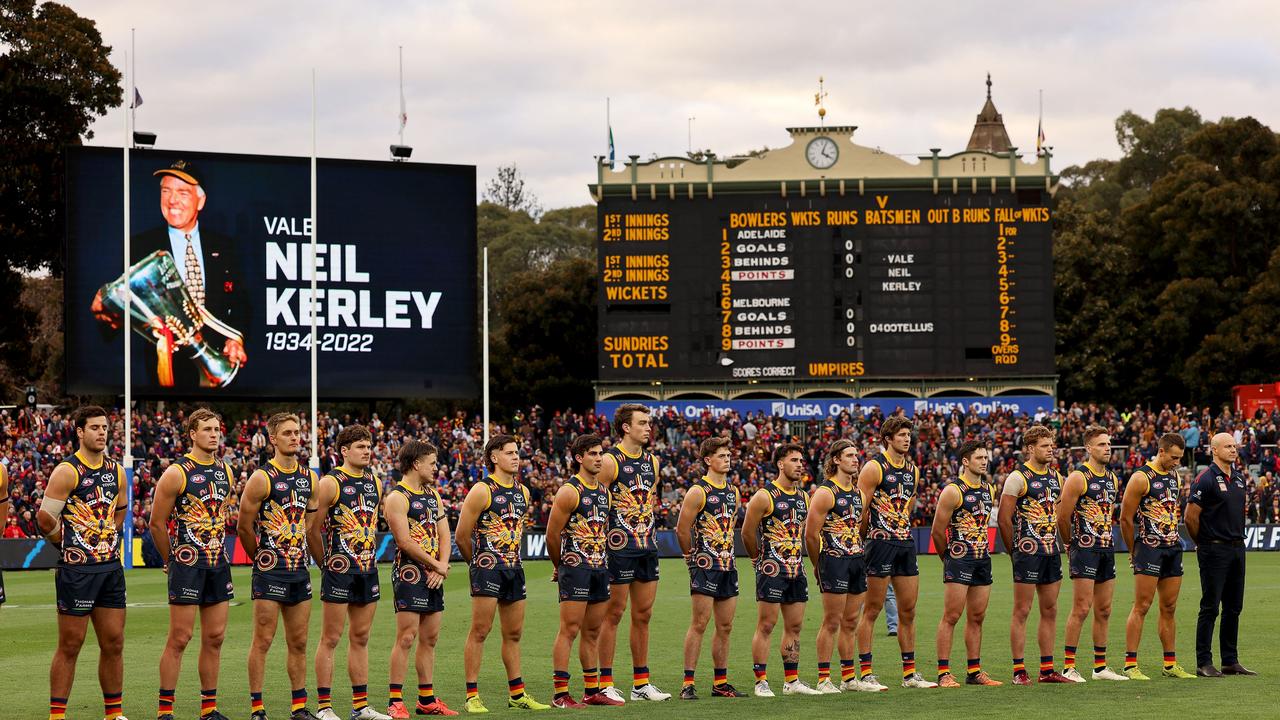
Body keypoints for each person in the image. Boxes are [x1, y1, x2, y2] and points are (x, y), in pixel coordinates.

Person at [97, 158, 248, 387]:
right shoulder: (139, 247)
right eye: (165, 191)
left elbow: (242, 303)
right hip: (164, 374)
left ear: (201, 201)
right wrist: (106, 312)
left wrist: (235, 339)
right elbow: (115, 314)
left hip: (218, 375)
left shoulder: (226, 246)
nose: (172, 200)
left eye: (183, 192)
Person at [38, 406, 128, 720]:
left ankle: (114, 713)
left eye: (105, 427)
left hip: (110, 568)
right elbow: (44, 517)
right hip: (77, 570)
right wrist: (65, 543)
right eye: (94, 427)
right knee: (71, 643)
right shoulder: (67, 471)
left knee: (114, 642)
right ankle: (57, 715)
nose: (102, 432)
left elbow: (121, 509)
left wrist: (109, 533)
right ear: (79, 431)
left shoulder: (117, 471)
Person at [148, 408, 235, 719]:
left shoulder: (226, 471)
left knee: (215, 637)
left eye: (217, 428)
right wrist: (171, 559)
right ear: (192, 434)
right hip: (188, 565)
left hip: (218, 563)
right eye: (207, 429)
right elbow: (157, 523)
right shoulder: (176, 472)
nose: (214, 434)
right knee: (180, 638)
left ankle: (209, 709)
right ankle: (165, 711)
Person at [455, 435, 549, 712]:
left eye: (517, 452)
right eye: (509, 453)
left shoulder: (524, 492)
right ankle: (472, 696)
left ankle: (517, 694)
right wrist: (479, 564)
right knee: (480, 631)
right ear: (494, 458)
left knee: (514, 633)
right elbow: (462, 535)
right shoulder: (482, 490)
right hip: (488, 570)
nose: (515, 457)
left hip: (515, 568)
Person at [237, 412, 321, 720]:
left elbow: (311, 526)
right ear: (273, 439)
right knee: (263, 640)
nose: (295, 437)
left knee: (298, 642)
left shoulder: (310, 477)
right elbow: (244, 527)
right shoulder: (262, 478)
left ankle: (299, 708)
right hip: (270, 571)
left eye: (297, 432)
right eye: (287, 433)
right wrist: (261, 557)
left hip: (299, 570)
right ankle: (257, 708)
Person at [308, 425, 391, 720]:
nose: (367, 451)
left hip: (367, 568)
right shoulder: (331, 483)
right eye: (360, 446)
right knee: (330, 638)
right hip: (340, 570)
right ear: (344, 451)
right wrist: (326, 564)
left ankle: (361, 707)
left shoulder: (374, 482)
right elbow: (311, 529)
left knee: (361, 637)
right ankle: (324, 707)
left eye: (368, 446)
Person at [855, 416, 936, 690]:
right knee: (873, 609)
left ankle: (910, 674)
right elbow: (860, 511)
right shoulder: (874, 468)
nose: (906, 439)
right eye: (901, 435)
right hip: (879, 544)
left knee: (909, 610)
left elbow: (909, 505)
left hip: (904, 543)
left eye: (908, 435)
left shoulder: (912, 470)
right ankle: (866, 674)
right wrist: (866, 539)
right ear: (888, 439)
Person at [597, 404, 670, 702]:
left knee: (644, 614)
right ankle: (605, 682)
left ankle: (641, 683)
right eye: (642, 423)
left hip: (646, 545)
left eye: (648, 422)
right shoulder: (610, 461)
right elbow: (594, 503)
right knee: (613, 613)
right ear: (625, 427)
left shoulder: (653, 461)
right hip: (617, 548)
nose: (648, 427)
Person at [546, 434, 622, 708]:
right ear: (579, 458)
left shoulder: (604, 492)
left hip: (600, 568)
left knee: (593, 632)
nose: (599, 458)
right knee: (570, 630)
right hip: (576, 569)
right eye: (592, 453)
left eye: (600, 453)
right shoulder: (569, 491)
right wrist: (560, 565)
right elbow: (552, 535)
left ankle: (592, 691)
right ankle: (560, 694)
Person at [741, 443, 821, 697]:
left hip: (796, 568)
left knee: (795, 626)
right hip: (772, 568)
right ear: (780, 464)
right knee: (766, 624)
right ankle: (761, 680)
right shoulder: (765, 496)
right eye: (794, 460)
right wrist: (757, 558)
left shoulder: (804, 497)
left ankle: (791, 680)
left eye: (801, 460)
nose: (800, 464)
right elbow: (746, 531)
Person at [384, 440, 457, 717]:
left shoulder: (433, 495)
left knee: (430, 638)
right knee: (406, 637)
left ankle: (426, 700)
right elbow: (404, 542)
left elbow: (445, 535)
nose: (436, 468)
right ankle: (395, 700)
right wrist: (436, 565)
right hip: (409, 573)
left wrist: (442, 566)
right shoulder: (397, 497)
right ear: (416, 464)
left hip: (433, 573)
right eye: (432, 463)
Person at [997, 424, 1070, 685]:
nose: (1050, 449)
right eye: (1044, 445)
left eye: (1051, 445)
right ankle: (1019, 671)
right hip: (1028, 553)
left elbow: (1061, 515)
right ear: (1030, 449)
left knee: (1050, 610)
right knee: (1023, 610)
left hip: (1051, 551)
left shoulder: (1058, 478)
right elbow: (1005, 520)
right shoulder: (1018, 478)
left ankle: (1047, 670)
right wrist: (1014, 552)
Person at [1055, 425, 1128, 683]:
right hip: (1084, 549)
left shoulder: (1113, 478)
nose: (1107, 448)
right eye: (1101, 444)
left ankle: (1100, 667)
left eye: (1109, 444)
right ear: (1088, 448)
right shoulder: (1078, 477)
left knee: (1105, 609)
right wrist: (1069, 544)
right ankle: (1068, 667)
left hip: (1107, 547)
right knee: (1082, 608)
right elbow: (1062, 517)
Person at [1119, 432, 1195, 680]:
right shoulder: (1141, 478)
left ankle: (1170, 664)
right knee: (1142, 606)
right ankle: (1130, 665)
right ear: (1161, 451)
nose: (1177, 463)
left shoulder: (1174, 476)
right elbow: (1125, 519)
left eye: (1180, 458)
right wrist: (1133, 550)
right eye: (1173, 457)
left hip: (1172, 547)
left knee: (1170, 607)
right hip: (1149, 548)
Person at [676, 436, 745, 699]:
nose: (727, 460)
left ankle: (720, 683)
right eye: (721, 456)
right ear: (708, 460)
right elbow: (682, 529)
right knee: (700, 623)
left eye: (729, 456)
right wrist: (688, 556)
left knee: (725, 626)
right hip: (705, 565)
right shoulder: (698, 491)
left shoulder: (733, 491)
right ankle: (688, 683)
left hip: (728, 563)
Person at [931, 440, 1003, 688]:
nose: (984, 461)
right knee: (951, 615)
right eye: (979, 458)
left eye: (986, 457)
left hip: (982, 558)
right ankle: (943, 673)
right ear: (965, 461)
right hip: (959, 559)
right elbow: (937, 531)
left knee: (977, 616)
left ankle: (974, 671)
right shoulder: (953, 491)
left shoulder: (988, 489)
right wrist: (949, 558)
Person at [1186, 433, 1255, 677]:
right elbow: (1190, 517)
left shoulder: (1238, 478)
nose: (1233, 450)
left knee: (1234, 607)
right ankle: (1203, 662)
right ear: (1214, 450)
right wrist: (1202, 543)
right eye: (1227, 446)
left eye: (1234, 446)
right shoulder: (1205, 479)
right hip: (1214, 548)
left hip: (1237, 547)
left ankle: (1230, 660)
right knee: (1210, 607)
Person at [804, 439, 866, 693]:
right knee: (832, 621)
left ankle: (849, 678)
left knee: (851, 621)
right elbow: (810, 534)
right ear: (837, 460)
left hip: (856, 560)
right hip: (834, 560)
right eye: (849, 455)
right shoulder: (825, 492)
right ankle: (823, 678)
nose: (855, 459)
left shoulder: (859, 492)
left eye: (856, 455)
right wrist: (819, 565)